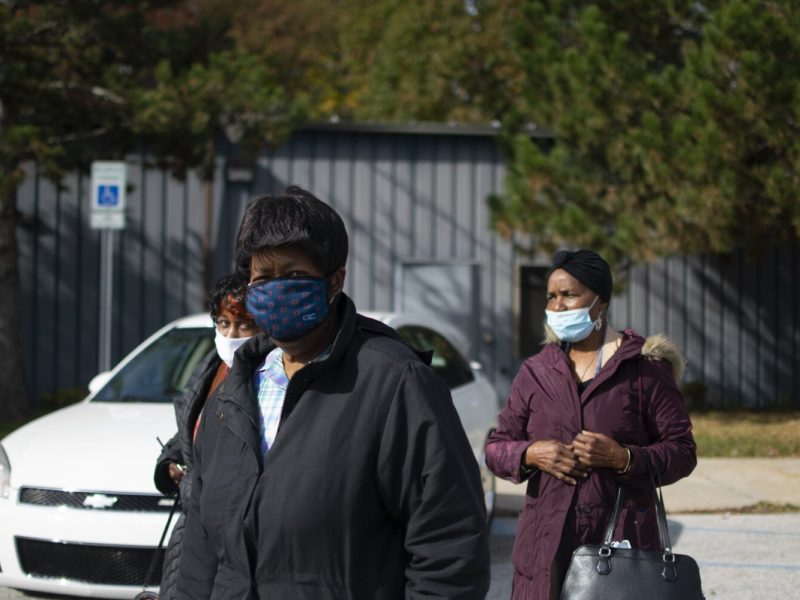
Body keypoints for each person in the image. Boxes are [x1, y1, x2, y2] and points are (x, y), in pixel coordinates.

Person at [175, 186, 490, 599]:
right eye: (263, 278)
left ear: (335, 280)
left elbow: (449, 551)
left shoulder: (395, 383)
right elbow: (201, 551)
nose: (276, 289)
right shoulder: (232, 392)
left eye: (293, 275)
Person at [486, 249, 697, 600]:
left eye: (569, 294)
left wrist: (624, 458)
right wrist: (530, 453)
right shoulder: (537, 371)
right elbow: (496, 447)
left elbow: (682, 451)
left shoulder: (644, 368)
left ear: (600, 302)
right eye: (551, 296)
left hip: (620, 541)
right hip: (544, 546)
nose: (557, 305)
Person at [153, 274, 259, 600]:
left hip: (234, 532)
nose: (231, 335)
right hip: (192, 526)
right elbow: (193, 424)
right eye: (223, 323)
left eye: (244, 325)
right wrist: (171, 460)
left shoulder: (270, 377)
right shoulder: (211, 366)